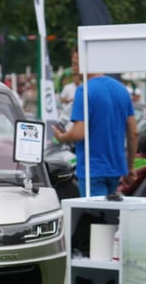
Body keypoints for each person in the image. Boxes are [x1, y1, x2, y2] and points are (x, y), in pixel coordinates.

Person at [53, 47, 137, 197]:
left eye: (75, 64)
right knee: (110, 217)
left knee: (96, 216)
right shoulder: (122, 90)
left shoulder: (83, 90)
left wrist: (61, 137)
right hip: (116, 169)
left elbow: (79, 133)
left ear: (86, 63)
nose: (73, 69)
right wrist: (129, 167)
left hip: (91, 169)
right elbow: (133, 133)